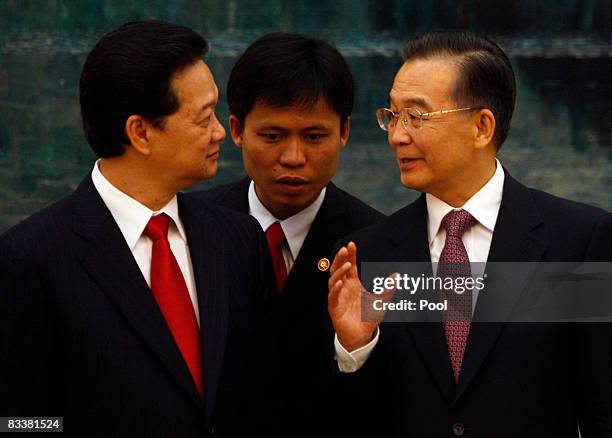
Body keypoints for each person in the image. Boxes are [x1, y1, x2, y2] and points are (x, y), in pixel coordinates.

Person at [328, 30, 612, 437]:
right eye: (392, 116)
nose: (396, 135)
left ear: (481, 127)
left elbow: (602, 405)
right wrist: (355, 349)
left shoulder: (578, 241)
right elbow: (350, 419)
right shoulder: (366, 257)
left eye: (416, 116)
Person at [0, 20, 275, 437]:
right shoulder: (32, 258)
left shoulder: (238, 239)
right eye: (204, 119)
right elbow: (20, 421)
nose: (220, 131)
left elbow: (262, 395)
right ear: (141, 132)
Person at [192, 32, 384, 435]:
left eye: (314, 137)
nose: (293, 158)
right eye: (272, 136)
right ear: (238, 130)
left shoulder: (378, 243)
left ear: (344, 132)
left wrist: (354, 350)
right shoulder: (192, 228)